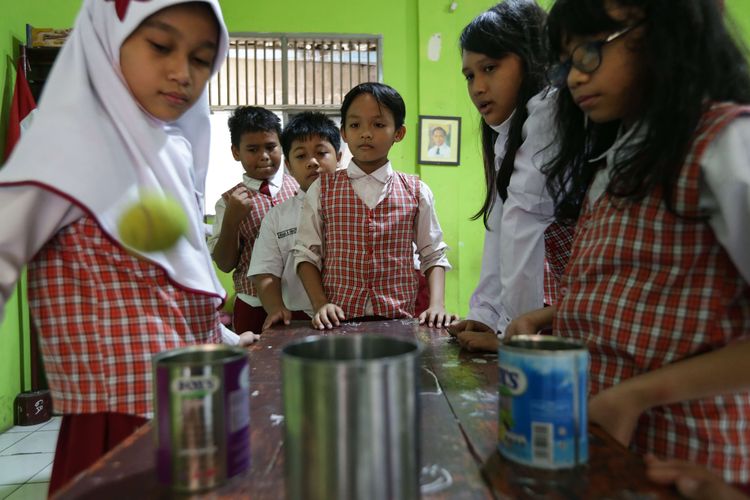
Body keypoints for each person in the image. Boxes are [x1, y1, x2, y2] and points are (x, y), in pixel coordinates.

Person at [0, 0, 259, 493]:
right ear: (106, 38)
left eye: (203, 58)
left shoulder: (171, 147)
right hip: (117, 404)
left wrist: (223, 340)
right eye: (160, 46)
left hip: (183, 392)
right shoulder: (62, 143)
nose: (182, 72)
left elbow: (178, 276)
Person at [509, 0, 750, 486]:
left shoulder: (725, 144)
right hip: (614, 449)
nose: (574, 78)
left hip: (692, 463)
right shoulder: (619, 159)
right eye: (566, 62)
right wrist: (557, 316)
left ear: (663, 33)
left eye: (590, 52)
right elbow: (665, 287)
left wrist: (634, 396)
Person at [447, 0, 573, 352]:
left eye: (490, 68)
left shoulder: (548, 112)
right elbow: (500, 226)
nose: (477, 87)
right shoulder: (509, 133)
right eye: (470, 75)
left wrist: (513, 334)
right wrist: (486, 313)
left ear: (531, 59)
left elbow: (522, 227)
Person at [294, 82, 457, 330]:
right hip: (338, 322)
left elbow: (433, 254)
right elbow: (306, 254)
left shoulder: (416, 191)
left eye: (378, 125)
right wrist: (320, 304)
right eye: (355, 125)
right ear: (344, 133)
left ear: (399, 133)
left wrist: (437, 305)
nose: (366, 133)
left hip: (399, 321)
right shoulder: (321, 189)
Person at [208, 106, 299, 335]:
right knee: (257, 367)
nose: (264, 156)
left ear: (282, 147)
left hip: (299, 303)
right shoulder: (229, 202)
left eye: (271, 147)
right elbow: (225, 264)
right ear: (236, 152)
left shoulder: (299, 189)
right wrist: (231, 221)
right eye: (252, 149)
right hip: (252, 305)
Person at [249, 112, 341, 330]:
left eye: (321, 153)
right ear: (288, 166)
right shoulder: (277, 216)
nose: (312, 162)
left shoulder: (356, 206)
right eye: (301, 156)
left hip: (354, 314)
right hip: (300, 319)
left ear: (339, 156)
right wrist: (275, 308)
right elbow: (266, 271)